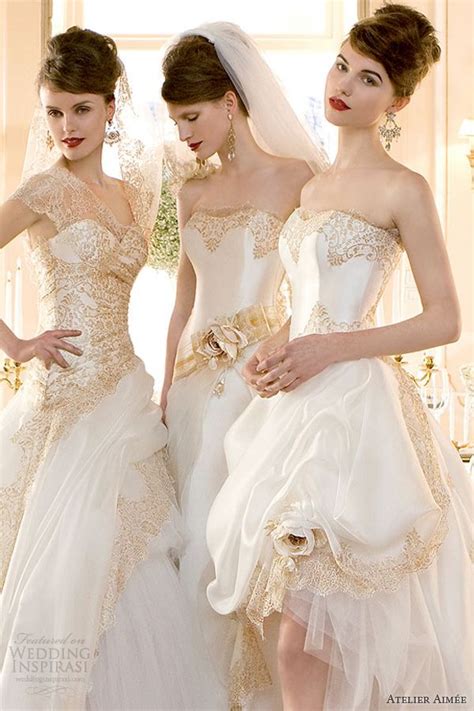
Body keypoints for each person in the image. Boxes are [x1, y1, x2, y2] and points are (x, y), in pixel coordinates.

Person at [207, 5, 473, 710]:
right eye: (342, 65)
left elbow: (445, 318)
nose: (345, 86)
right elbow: (309, 302)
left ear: (399, 101)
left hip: (355, 417)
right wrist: (278, 344)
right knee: (280, 619)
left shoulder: (404, 188)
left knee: (307, 632)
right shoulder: (313, 186)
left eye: (370, 78)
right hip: (294, 408)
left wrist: (332, 347)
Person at [0, 27, 222, 710]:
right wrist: (16, 344)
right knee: (66, 565)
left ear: (110, 105)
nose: (67, 126)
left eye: (82, 109)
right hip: (66, 404)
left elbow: (189, 276)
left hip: (126, 394)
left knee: (141, 553)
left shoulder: (137, 196)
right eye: (54, 112)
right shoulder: (42, 190)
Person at [159, 21, 328, 703]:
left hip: (258, 384)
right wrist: (166, 386)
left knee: (229, 533)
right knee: (188, 531)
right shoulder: (190, 191)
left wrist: (275, 342)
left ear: (231, 101)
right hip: (194, 389)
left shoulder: (300, 180)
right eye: (175, 121)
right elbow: (181, 300)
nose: (184, 134)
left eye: (192, 117)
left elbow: (315, 291)